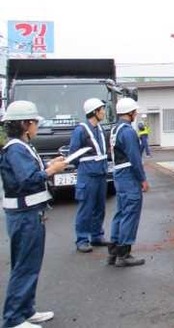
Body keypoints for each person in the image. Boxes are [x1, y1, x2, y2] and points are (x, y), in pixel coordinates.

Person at [1, 101, 68, 328]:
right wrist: (51, 170)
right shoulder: (16, 149)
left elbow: (29, 173)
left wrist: (49, 164)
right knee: (24, 266)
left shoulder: (21, 147)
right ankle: (12, 319)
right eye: (34, 122)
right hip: (24, 216)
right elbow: (28, 180)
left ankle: (26, 310)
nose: (37, 125)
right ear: (24, 124)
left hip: (30, 212)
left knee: (30, 264)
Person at [107, 97, 149, 267]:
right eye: (135, 111)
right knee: (131, 212)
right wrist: (142, 179)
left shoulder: (115, 130)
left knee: (121, 212)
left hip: (118, 173)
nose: (136, 114)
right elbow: (135, 158)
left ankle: (114, 250)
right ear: (130, 113)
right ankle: (124, 254)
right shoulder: (128, 132)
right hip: (128, 175)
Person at [68, 98, 109, 253]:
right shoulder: (80, 130)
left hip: (101, 173)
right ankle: (82, 239)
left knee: (100, 207)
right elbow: (74, 154)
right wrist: (86, 168)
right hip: (88, 175)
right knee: (86, 208)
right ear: (94, 112)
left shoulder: (100, 129)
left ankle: (97, 236)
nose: (104, 112)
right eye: (102, 110)